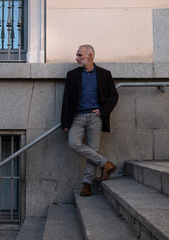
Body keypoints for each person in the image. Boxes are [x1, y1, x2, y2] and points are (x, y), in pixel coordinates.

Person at [61, 44, 119, 196]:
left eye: (80, 55)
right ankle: (105, 163)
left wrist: (103, 111)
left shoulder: (104, 74)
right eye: (77, 55)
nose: (77, 58)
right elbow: (66, 99)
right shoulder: (72, 75)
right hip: (77, 116)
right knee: (73, 143)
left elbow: (114, 96)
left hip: (95, 117)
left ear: (90, 56)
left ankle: (87, 185)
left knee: (93, 150)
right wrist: (65, 122)